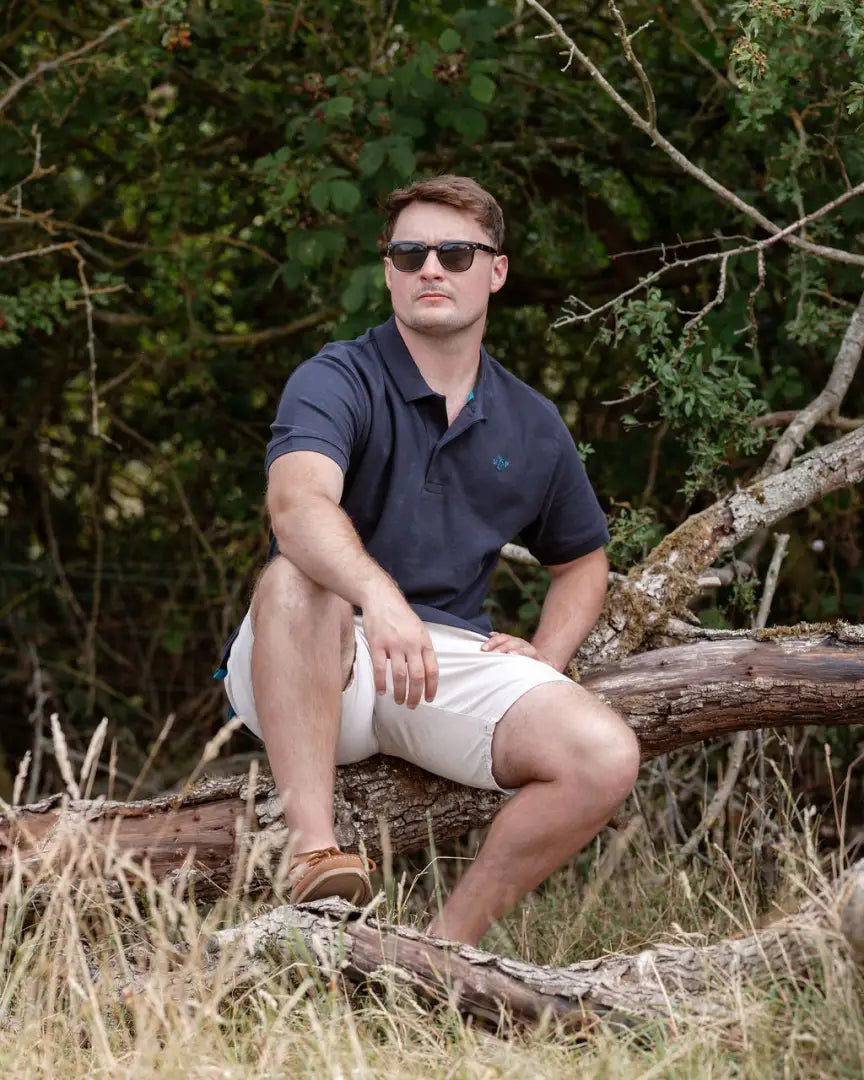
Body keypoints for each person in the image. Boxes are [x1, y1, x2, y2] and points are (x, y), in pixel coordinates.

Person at [218, 175, 640, 947]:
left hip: (433, 664)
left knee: (604, 754)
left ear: (497, 271)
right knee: (298, 575)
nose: (431, 270)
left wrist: (546, 657)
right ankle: (314, 854)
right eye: (410, 253)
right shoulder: (336, 377)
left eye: (454, 252)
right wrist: (377, 600)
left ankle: (443, 955)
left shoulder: (531, 422)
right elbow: (298, 507)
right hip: (310, 653)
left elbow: (582, 560)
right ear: (389, 271)